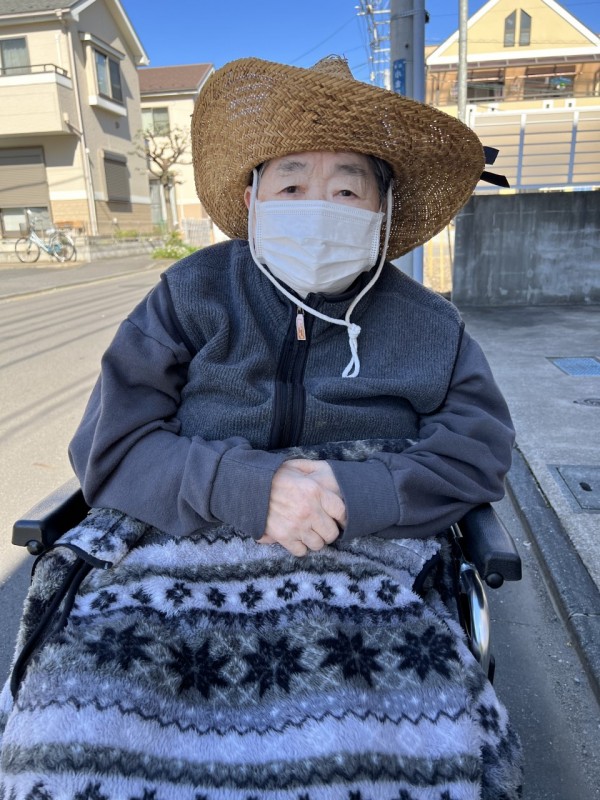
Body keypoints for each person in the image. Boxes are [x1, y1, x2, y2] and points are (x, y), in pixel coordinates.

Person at [0, 56, 522, 799]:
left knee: (396, 742)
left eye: (348, 188)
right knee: (71, 727)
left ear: (382, 208)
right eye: (291, 185)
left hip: (368, 556)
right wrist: (252, 487)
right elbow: (111, 447)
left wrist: (352, 492)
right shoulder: (190, 294)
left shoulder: (430, 326)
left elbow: (478, 451)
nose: (319, 206)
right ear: (251, 200)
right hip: (175, 545)